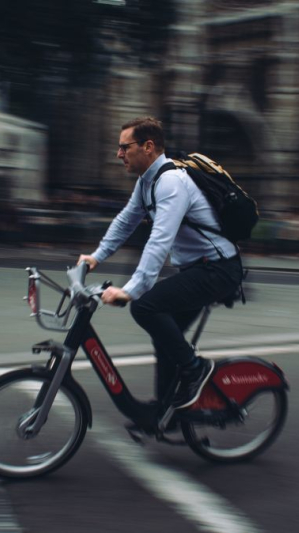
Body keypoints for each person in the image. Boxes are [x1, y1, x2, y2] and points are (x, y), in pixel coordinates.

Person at [78, 117, 243, 411]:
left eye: (124, 147)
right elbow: (125, 222)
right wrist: (96, 256)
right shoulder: (147, 182)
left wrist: (131, 290)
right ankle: (164, 410)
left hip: (218, 269)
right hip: (200, 269)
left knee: (145, 307)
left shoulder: (171, 182)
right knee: (165, 336)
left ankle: (196, 369)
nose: (119, 154)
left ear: (148, 147)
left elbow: (159, 241)